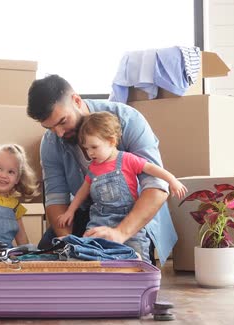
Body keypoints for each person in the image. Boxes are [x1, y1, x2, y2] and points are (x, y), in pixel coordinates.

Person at [27, 74, 178, 264]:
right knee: (47, 260)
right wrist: (70, 245)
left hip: (134, 216)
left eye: (63, 122)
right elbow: (56, 199)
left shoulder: (128, 120)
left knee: (126, 267)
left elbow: (157, 186)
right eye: (50, 128)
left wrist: (119, 233)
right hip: (91, 216)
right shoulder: (51, 143)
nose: (59, 133)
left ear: (76, 100)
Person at [56, 112, 187, 238]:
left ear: (111, 141)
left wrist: (172, 180)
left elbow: (152, 168)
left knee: (135, 253)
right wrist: (70, 211)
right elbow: (82, 192)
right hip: (99, 221)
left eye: (94, 147)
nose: (90, 153)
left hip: (127, 220)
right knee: (91, 250)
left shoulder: (127, 159)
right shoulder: (93, 168)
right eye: (86, 148)